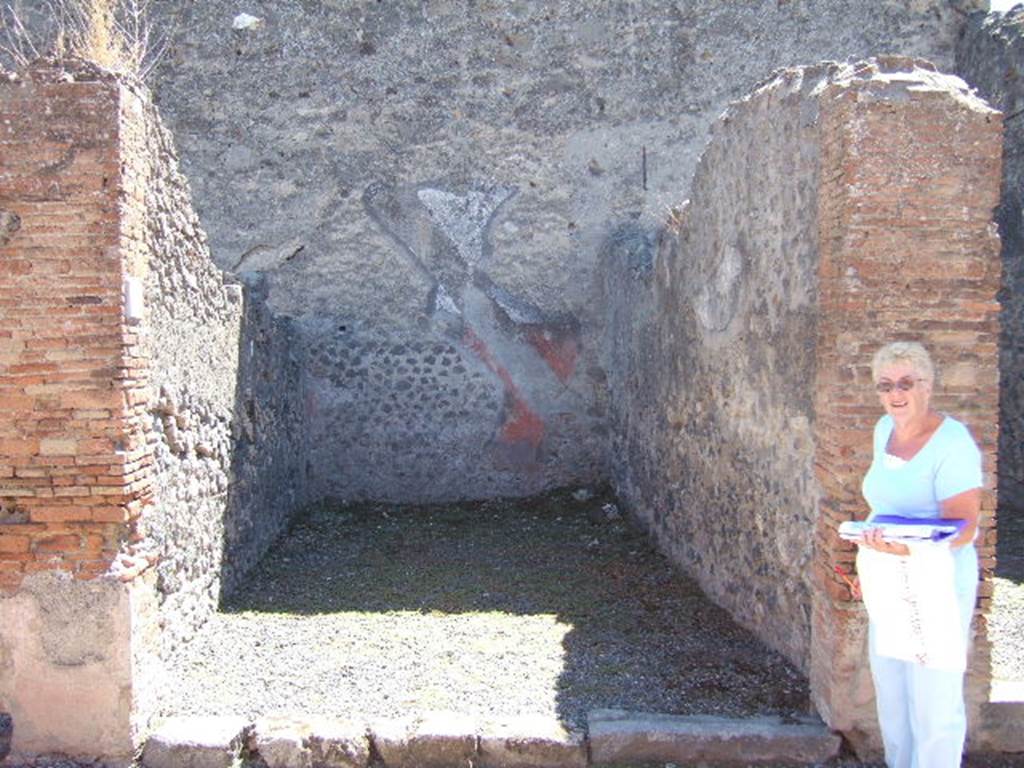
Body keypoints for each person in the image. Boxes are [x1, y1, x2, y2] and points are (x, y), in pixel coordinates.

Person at [856, 340, 982, 768]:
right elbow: (886, 501)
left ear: (927, 386)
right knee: (891, 691)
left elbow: (964, 528)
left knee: (934, 701)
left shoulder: (953, 444)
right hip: (887, 579)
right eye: (885, 384)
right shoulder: (882, 430)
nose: (896, 393)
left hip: (937, 583)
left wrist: (902, 548)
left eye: (907, 382)